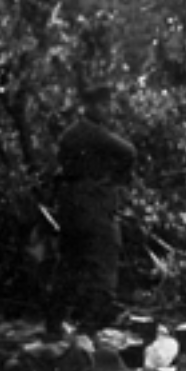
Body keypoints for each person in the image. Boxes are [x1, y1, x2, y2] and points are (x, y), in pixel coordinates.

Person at [49, 83, 137, 332]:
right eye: (101, 105)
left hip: (70, 206)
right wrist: (115, 180)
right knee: (102, 267)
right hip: (93, 207)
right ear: (89, 106)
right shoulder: (92, 133)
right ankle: (89, 329)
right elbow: (129, 151)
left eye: (107, 105)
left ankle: (55, 325)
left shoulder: (70, 134)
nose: (106, 110)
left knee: (69, 265)